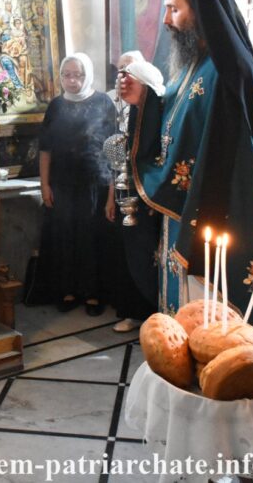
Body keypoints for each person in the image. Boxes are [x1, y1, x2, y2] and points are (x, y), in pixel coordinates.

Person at [119, 0, 253, 347]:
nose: (166, 20)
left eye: (174, 9)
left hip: (217, 213)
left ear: (201, 9)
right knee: (186, 317)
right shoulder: (194, 63)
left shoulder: (229, 69)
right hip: (185, 210)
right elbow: (176, 119)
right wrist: (145, 102)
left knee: (216, 326)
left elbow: (220, 149)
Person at [38, 53, 117, 315]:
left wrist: (111, 195)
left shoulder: (104, 103)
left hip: (96, 183)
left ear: (88, 75)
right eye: (67, 75)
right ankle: (68, 290)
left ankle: (93, 293)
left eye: (78, 75)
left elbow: (115, 150)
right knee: (65, 236)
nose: (72, 80)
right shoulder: (56, 106)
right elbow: (45, 149)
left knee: (91, 238)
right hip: (62, 184)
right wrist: (44, 184)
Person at [104, 59, 164, 332]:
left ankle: (153, 312)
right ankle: (133, 311)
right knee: (129, 257)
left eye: (130, 78)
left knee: (148, 258)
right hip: (127, 195)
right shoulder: (130, 113)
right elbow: (119, 163)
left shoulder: (160, 113)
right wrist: (111, 197)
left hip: (151, 200)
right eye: (121, 78)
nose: (123, 83)